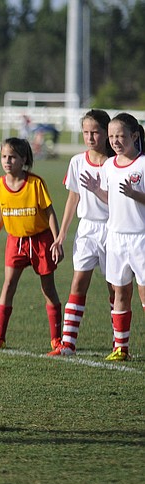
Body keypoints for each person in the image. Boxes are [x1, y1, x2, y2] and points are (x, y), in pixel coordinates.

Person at [0, 137, 63, 353]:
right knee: (8, 285)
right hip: (15, 241)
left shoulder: (35, 183)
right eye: (4, 156)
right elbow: (2, 211)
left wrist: (57, 240)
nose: (7, 161)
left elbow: (49, 212)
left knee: (48, 288)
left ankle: (56, 339)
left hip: (40, 240)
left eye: (12, 157)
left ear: (24, 159)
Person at [48, 110, 114, 356]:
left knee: (115, 288)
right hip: (86, 229)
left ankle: (120, 344)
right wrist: (62, 234)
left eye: (95, 131)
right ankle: (68, 344)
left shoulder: (116, 163)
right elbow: (73, 197)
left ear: (107, 132)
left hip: (113, 229)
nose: (90, 136)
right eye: (86, 132)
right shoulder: (77, 161)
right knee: (78, 282)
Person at [80, 113, 145, 361]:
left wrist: (134, 194)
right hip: (116, 238)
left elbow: (135, 197)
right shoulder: (109, 165)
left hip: (140, 237)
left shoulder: (142, 165)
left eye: (120, 136)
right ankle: (121, 348)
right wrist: (97, 190)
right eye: (111, 137)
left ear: (134, 136)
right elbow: (113, 198)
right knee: (120, 292)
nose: (115, 141)